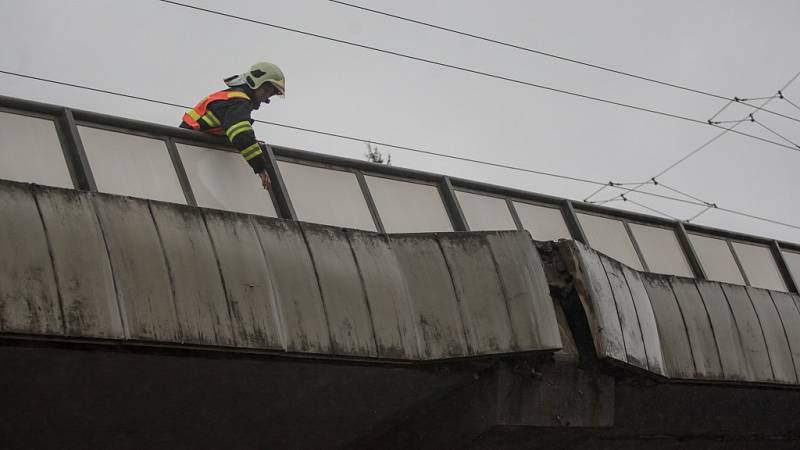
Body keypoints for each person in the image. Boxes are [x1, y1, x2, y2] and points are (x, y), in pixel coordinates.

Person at [179, 62, 285, 190]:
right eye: (267, 90)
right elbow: (240, 134)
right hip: (188, 149)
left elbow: (227, 129)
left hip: (187, 149)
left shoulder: (232, 97)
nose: (266, 97)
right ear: (255, 82)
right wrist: (260, 168)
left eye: (271, 94)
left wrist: (250, 141)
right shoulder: (238, 101)